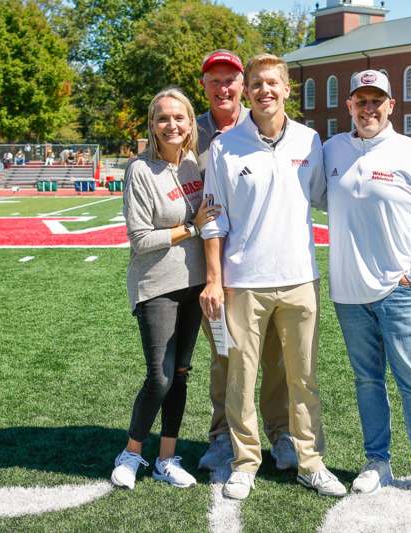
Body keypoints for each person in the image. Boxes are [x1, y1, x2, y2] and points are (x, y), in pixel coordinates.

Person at [200, 54, 343, 501]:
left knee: (303, 377)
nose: (265, 91)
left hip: (301, 276)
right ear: (249, 90)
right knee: (240, 376)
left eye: (272, 84)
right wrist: (215, 279)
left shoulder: (309, 139)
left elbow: (326, 198)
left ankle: (310, 460)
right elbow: (213, 218)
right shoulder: (225, 145)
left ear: (286, 90)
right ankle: (245, 462)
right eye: (258, 84)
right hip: (244, 280)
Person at [323, 69, 411, 504]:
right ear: (349, 105)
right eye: (361, 100)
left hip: (400, 291)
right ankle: (377, 461)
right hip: (348, 292)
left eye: (377, 100)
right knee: (366, 381)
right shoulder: (332, 151)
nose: (369, 108)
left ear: (391, 106)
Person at [111, 88, 220, 491]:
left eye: (179, 117)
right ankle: (132, 452)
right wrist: (190, 227)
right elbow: (140, 239)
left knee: (180, 373)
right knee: (159, 376)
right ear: (152, 125)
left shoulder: (194, 163)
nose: (171, 125)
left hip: (194, 285)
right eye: (163, 118)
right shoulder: (140, 170)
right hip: (156, 285)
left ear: (191, 122)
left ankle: (166, 458)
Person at [194, 49, 297, 474]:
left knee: (274, 357)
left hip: (265, 264)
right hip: (209, 265)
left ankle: (281, 432)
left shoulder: (266, 125)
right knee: (225, 356)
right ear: (204, 86)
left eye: (230, 80)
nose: (223, 88)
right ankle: (223, 436)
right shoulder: (189, 128)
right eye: (214, 80)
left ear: (243, 85)